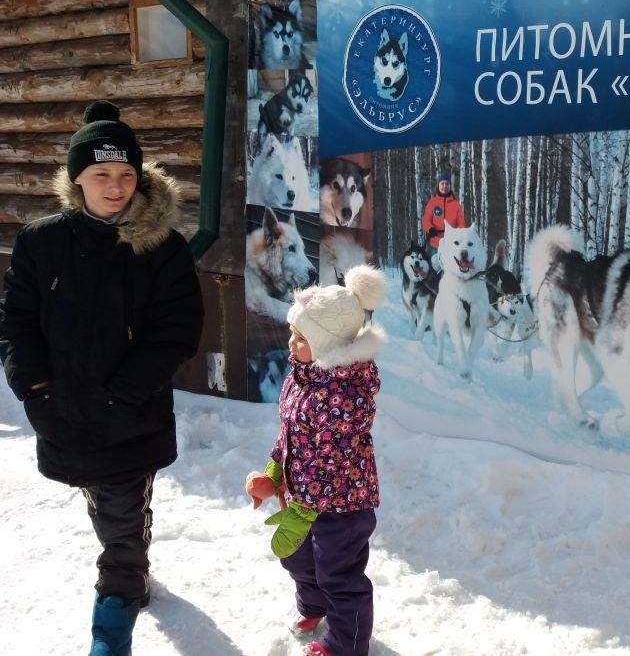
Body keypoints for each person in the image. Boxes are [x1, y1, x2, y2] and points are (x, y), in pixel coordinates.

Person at [0, 100, 204, 656]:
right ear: (76, 178)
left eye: (126, 175)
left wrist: (123, 395)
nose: (115, 187)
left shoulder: (162, 247)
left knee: (119, 509)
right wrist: (34, 388)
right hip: (61, 411)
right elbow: (15, 320)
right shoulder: (43, 242)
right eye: (101, 175)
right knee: (103, 501)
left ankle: (114, 611)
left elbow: (178, 330)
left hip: (129, 414)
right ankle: (129, 558)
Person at [245, 266, 387, 656]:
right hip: (301, 497)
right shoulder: (302, 375)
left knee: (339, 574)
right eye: (293, 333)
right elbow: (289, 432)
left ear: (328, 343)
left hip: (342, 504)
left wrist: (306, 505)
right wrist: (274, 473)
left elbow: (336, 459)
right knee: (298, 557)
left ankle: (346, 643)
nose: (292, 344)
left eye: (302, 338)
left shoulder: (348, 392)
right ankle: (314, 604)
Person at [421, 171, 465, 256]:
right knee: (435, 265)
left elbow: (461, 223)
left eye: (447, 184)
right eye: (442, 183)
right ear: (438, 185)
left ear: (450, 186)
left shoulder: (456, 204)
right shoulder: (432, 202)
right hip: (436, 243)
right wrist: (430, 229)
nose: (444, 186)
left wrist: (457, 233)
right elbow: (426, 220)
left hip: (452, 244)